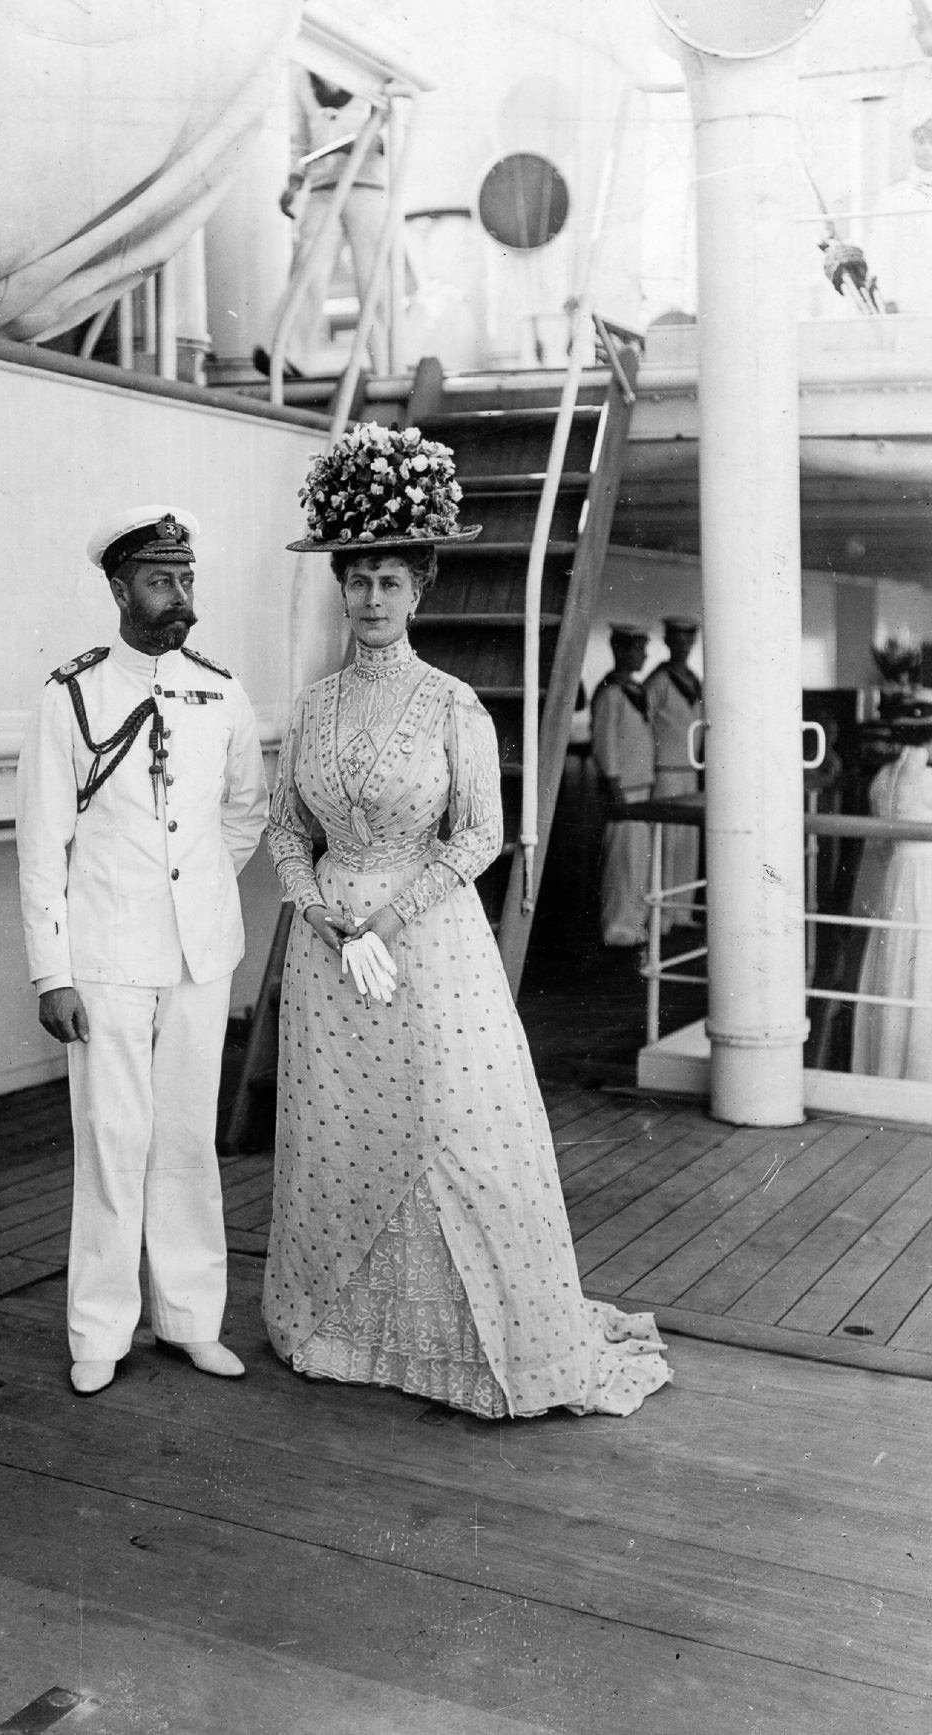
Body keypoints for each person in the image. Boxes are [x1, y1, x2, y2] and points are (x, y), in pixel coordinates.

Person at [262, 422, 670, 1420]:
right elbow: (283, 827)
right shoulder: (313, 709)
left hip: (427, 943)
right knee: (340, 1134)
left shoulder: (452, 707)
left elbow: (481, 833)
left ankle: (471, 1343)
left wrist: (385, 919)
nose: (369, 599)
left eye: (389, 581)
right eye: (355, 578)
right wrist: (321, 913)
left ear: (420, 589)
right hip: (329, 955)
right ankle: (342, 1329)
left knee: (451, 1131)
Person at [16, 505, 269, 1394]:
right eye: (162, 580)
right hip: (107, 958)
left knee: (188, 1141)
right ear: (120, 588)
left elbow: (247, 808)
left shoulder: (221, 690)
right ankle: (99, 1332)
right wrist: (53, 971)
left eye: (187, 578)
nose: (180, 597)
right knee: (113, 1141)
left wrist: (197, 881)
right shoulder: (73, 695)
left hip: (201, 953)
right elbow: (41, 843)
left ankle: (192, 1321)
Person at [257, 68, 387, 378]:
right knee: (308, 266)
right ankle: (288, 355)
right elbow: (300, 136)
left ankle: (386, 365)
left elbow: (390, 129)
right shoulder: (301, 72)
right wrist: (294, 180)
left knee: (373, 280)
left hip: (366, 186)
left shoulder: (367, 67)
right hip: (322, 187)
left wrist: (366, 141)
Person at [851, 702, 932, 1081]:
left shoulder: (884, 777)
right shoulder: (928, 780)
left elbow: (879, 847)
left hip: (896, 876)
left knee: (898, 959)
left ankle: (885, 1067)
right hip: (926, 874)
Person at [590, 625, 654, 948]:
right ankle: (617, 928)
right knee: (622, 863)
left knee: (637, 861)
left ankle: (634, 923)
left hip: (640, 785)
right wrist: (613, 781)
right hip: (624, 788)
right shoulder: (611, 692)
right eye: (637, 648)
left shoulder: (634, 689)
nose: (643, 655)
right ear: (621, 650)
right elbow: (604, 742)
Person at [643, 616, 704, 935]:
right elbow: (643, 725)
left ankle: (682, 911)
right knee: (665, 842)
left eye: (688, 640)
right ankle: (662, 917)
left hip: (689, 771)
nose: (683, 646)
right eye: (677, 640)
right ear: (668, 642)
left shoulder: (694, 680)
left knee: (687, 843)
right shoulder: (659, 681)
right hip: (665, 772)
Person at [868, 109, 932, 317]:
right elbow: (881, 252)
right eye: (920, 141)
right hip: (910, 305)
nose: (926, 149)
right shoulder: (893, 198)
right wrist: (887, 299)